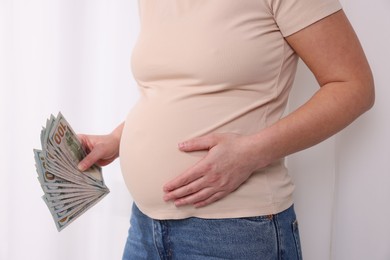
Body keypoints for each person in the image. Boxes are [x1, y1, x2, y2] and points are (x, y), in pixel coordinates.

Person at [77, 0, 374, 259]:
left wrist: (254, 152)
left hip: (233, 231)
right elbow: (173, 91)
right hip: (144, 227)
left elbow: (353, 87)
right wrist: (117, 139)